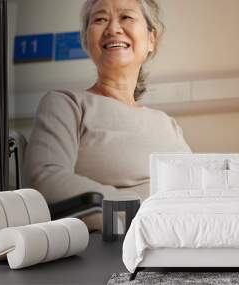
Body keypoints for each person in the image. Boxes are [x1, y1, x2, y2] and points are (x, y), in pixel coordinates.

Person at [24, 0, 191, 229]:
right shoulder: (66, 104)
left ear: (151, 39)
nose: (113, 28)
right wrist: (141, 216)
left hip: (182, 239)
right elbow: (45, 179)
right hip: (116, 246)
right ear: (87, 41)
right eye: (100, 19)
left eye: (126, 17)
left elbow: (195, 190)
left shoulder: (167, 124)